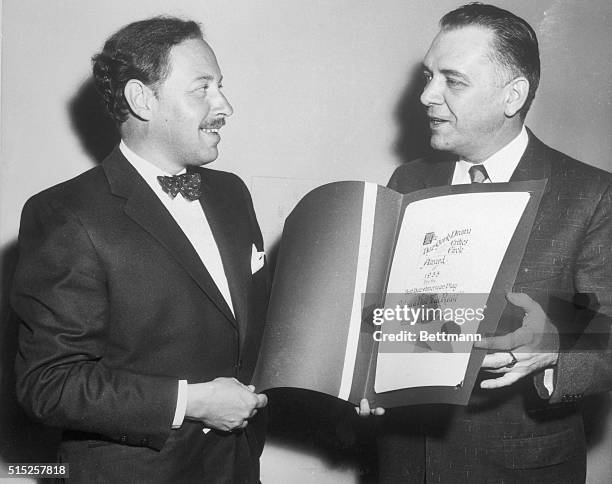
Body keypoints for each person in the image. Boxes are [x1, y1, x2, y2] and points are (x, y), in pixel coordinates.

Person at [12, 16, 269, 483]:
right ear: (142, 99)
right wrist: (192, 403)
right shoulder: (65, 214)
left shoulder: (233, 194)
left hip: (236, 468)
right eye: (203, 88)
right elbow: (47, 385)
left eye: (221, 86)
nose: (224, 105)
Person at [361, 3, 612, 482]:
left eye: (453, 81)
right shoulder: (408, 180)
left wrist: (558, 342)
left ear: (512, 96)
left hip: (520, 467)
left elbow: (608, 321)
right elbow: (396, 314)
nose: (427, 95)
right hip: (404, 461)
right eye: (428, 75)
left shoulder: (593, 193)